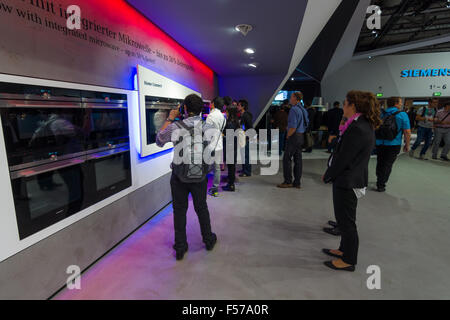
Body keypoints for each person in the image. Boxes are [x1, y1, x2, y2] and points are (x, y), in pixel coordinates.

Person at [322, 90, 381, 272]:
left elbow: (344, 158)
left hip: (348, 180)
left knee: (347, 223)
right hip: (349, 178)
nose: (343, 107)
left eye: (345, 103)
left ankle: (349, 260)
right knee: (344, 219)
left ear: (353, 106)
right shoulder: (359, 124)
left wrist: (329, 173)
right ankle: (343, 250)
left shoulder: (357, 127)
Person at [156, 94, 217, 260]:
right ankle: (208, 239)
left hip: (179, 176)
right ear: (200, 109)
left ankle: (181, 247)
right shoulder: (209, 127)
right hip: (200, 175)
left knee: (179, 210)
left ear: (184, 109)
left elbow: (159, 140)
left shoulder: (175, 127)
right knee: (201, 208)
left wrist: (170, 118)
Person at [375, 97, 411, 192]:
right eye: (400, 102)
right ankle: (381, 184)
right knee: (388, 163)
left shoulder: (381, 113)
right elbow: (407, 131)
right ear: (396, 103)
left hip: (379, 142)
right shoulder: (402, 114)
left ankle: (379, 178)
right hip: (393, 143)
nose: (401, 104)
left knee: (380, 161)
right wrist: (407, 144)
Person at [277, 92, 309, 189]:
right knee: (298, 160)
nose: (290, 99)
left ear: (295, 98)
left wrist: (288, 136)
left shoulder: (294, 110)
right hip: (301, 136)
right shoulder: (303, 109)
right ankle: (297, 182)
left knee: (286, 158)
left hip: (294, 136)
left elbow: (293, 127)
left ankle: (288, 181)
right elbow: (307, 123)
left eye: (291, 97)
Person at [206, 97, 226, 197]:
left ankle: (200, 187)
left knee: (204, 166)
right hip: (219, 145)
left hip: (210, 145)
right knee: (217, 168)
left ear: (213, 104)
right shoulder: (223, 116)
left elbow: (207, 132)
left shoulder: (210, 116)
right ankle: (215, 189)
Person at [222, 104, 240, 191]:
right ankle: (231, 184)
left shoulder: (229, 123)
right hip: (234, 146)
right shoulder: (236, 121)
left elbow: (229, 136)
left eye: (227, 111)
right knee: (232, 166)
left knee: (231, 167)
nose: (226, 112)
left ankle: (231, 185)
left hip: (230, 147)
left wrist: (223, 135)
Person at [238, 99, 253, 177]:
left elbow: (250, 127)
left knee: (246, 155)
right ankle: (244, 169)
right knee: (243, 154)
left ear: (243, 106)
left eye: (239, 105)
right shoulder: (242, 114)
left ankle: (247, 172)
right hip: (243, 137)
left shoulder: (246, 115)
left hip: (245, 138)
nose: (238, 106)